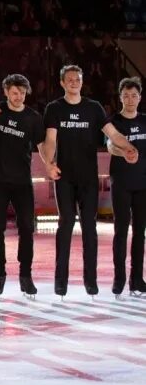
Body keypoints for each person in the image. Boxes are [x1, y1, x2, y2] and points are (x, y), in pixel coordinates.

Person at [41, 65, 138, 299]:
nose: (74, 82)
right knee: (65, 225)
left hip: (88, 179)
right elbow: (50, 140)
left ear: (82, 82)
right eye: (70, 79)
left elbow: (113, 134)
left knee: (89, 228)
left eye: (78, 79)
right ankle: (60, 282)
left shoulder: (93, 108)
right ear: (62, 83)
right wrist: (49, 163)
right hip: (64, 178)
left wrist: (128, 148)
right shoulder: (54, 108)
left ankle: (90, 282)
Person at [0, 74, 55, 299]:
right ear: (6, 92)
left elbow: (42, 146)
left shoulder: (33, 118)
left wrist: (50, 165)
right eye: (14, 92)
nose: (18, 96)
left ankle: (26, 276)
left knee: (27, 229)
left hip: (23, 182)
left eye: (22, 93)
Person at [107, 77, 146, 298]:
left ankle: (137, 279)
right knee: (120, 231)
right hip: (121, 183)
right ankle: (119, 279)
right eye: (126, 95)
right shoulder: (113, 121)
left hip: (143, 184)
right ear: (120, 97)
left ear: (139, 98)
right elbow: (111, 145)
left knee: (140, 232)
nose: (130, 99)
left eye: (134, 95)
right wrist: (124, 152)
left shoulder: (145, 121)